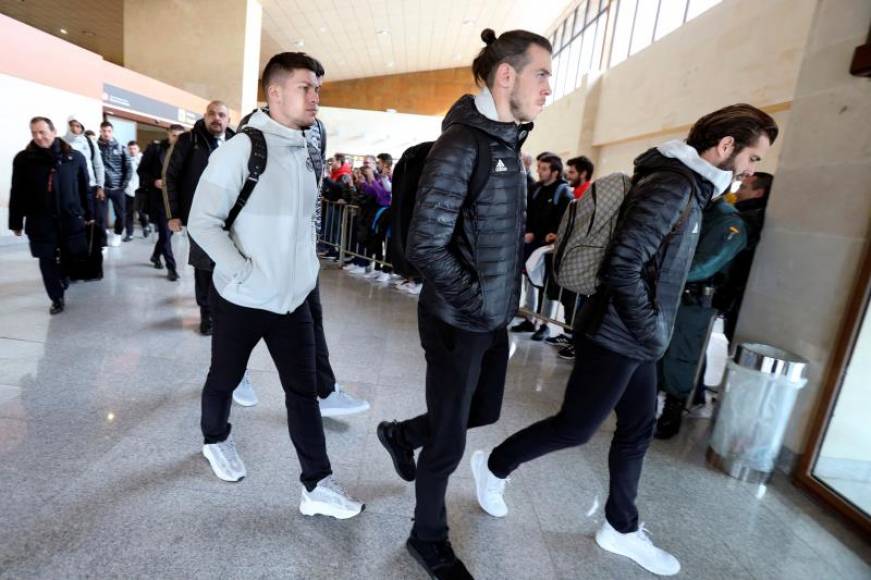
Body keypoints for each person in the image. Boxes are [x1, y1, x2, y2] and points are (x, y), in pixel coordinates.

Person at [470, 104, 778, 577]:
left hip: (636, 335)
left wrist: (651, 329)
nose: (752, 169)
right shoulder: (673, 186)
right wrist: (652, 325)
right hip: (620, 332)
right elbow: (624, 264)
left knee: (638, 428)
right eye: (753, 157)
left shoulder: (692, 186)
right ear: (725, 148)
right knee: (575, 427)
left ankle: (621, 526)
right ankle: (493, 465)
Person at [376, 28, 552, 579]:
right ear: (507, 75)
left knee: (485, 410)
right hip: (458, 317)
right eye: (541, 74)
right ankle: (426, 537)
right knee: (450, 441)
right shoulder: (464, 145)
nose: (549, 87)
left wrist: (500, 302)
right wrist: (476, 300)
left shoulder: (506, 142)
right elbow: (424, 242)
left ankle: (402, 434)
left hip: (489, 316)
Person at [187, 52, 364, 518]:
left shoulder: (305, 150)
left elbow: (306, 221)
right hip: (243, 298)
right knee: (224, 379)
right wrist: (243, 271)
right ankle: (215, 439)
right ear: (276, 92)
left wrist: (307, 270)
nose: (315, 97)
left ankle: (317, 485)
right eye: (306, 87)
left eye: (318, 89)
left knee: (303, 393)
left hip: (293, 299)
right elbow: (202, 223)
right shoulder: (241, 150)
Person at [655, 195, 749, 439]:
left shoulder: (728, 221)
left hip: (694, 299)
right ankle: (653, 401)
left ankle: (673, 410)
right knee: (661, 350)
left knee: (681, 355)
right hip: (673, 292)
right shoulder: (696, 211)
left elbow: (704, 265)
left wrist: (659, 272)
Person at [165, 101, 235, 335]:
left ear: (228, 119)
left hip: (231, 219)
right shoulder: (189, 140)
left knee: (227, 266)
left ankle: (225, 311)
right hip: (199, 218)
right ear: (205, 116)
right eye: (212, 114)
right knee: (204, 267)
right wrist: (173, 214)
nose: (217, 118)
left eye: (222, 115)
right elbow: (170, 176)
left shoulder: (237, 143)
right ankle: (207, 314)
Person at [10, 117, 92, 314]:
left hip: (69, 217)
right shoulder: (23, 159)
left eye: (42, 132)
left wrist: (89, 213)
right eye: (34, 133)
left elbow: (84, 189)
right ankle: (56, 298)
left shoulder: (75, 157)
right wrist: (16, 221)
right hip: (40, 219)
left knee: (69, 256)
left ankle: (63, 277)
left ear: (54, 132)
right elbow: (17, 191)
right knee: (45, 259)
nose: (38, 137)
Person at [511, 154, 573, 341]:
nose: (539, 171)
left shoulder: (562, 192)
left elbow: (563, 220)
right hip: (530, 243)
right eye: (539, 167)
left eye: (544, 168)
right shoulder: (536, 188)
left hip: (548, 247)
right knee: (530, 281)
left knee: (547, 287)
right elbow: (526, 213)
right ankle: (530, 319)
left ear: (554, 171)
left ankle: (545, 325)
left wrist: (541, 234)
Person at [545, 154, 596, 359]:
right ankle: (568, 334)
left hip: (580, 256)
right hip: (569, 253)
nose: (568, 174)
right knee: (568, 299)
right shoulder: (576, 192)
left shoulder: (589, 194)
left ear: (583, 173)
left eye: (573, 171)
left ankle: (577, 340)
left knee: (576, 301)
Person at [139, 125, 184, 281]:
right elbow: (142, 170)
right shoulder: (155, 149)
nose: (176, 139)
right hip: (158, 198)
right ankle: (172, 268)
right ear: (168, 134)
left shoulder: (185, 151)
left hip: (176, 199)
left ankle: (156, 255)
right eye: (174, 135)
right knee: (165, 233)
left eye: (180, 136)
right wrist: (153, 181)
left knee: (169, 233)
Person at [62, 115, 105, 225]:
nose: (75, 129)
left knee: (94, 219)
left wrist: (100, 186)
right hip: (72, 188)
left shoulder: (89, 142)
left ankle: (95, 242)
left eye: (78, 126)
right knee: (76, 219)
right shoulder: (62, 142)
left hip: (91, 186)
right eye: (72, 125)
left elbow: (98, 164)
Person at [97, 121, 133, 247]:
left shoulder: (121, 148)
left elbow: (129, 168)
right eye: (104, 131)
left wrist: (124, 185)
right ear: (100, 131)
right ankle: (103, 241)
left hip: (118, 188)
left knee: (121, 215)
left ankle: (117, 235)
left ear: (112, 132)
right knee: (101, 216)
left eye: (109, 131)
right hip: (102, 189)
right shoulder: (95, 147)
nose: (106, 133)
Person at [123, 141, 142, 241]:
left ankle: (146, 226)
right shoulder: (125, 159)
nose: (132, 151)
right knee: (128, 213)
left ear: (138, 149)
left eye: (134, 148)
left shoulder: (143, 159)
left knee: (141, 212)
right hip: (127, 191)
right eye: (130, 149)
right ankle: (129, 234)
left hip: (140, 191)